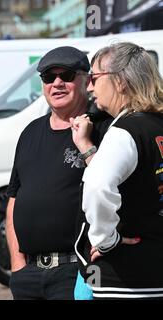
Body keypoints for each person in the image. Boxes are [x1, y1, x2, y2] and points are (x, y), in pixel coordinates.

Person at [5, 46, 111, 300]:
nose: (57, 83)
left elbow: (114, 191)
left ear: (86, 80)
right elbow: (14, 200)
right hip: (29, 274)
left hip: (77, 272)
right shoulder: (30, 132)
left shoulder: (105, 129)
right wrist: (17, 265)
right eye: (49, 77)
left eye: (67, 75)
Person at [73, 42, 163, 299]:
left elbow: (97, 186)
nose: (89, 87)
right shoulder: (156, 124)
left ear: (121, 81)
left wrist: (105, 240)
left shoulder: (125, 131)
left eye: (94, 77)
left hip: (126, 280)